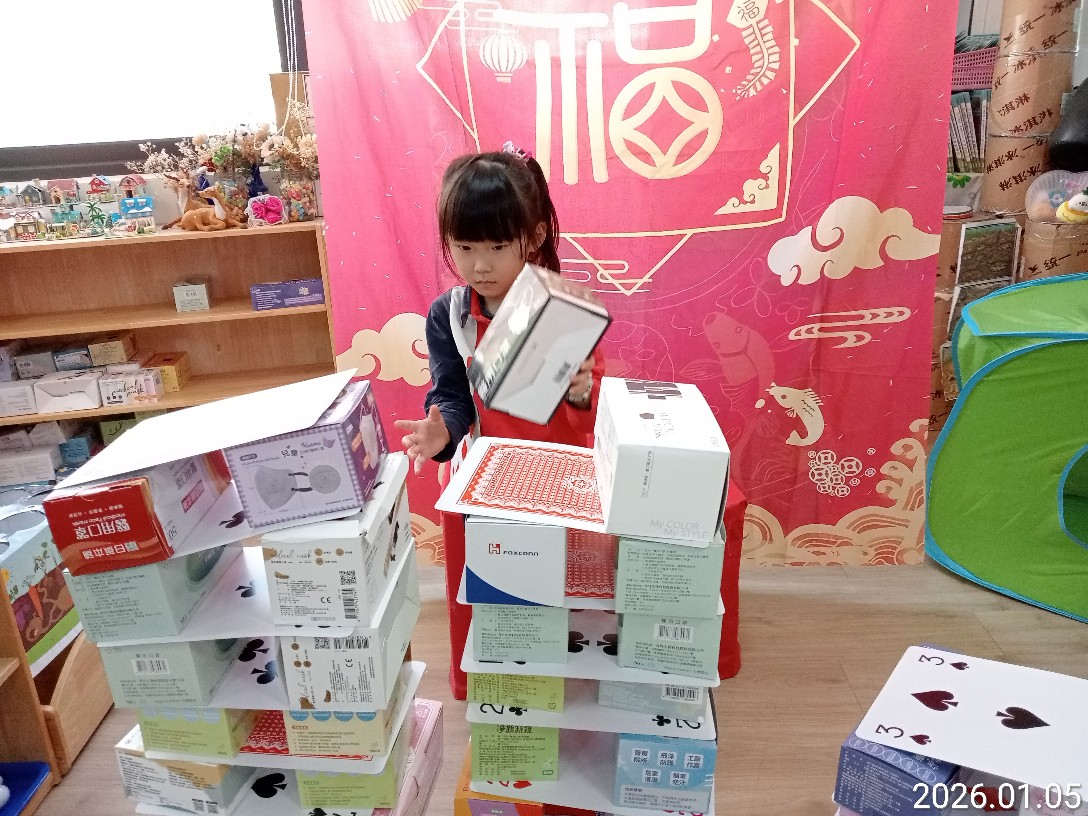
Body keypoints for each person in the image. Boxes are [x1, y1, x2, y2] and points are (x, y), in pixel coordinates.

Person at [394, 143, 606, 698]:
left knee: (555, 591)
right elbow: (452, 396)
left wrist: (581, 390)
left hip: (558, 478)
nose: (479, 265)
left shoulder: (561, 309)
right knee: (488, 592)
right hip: (488, 481)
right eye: (463, 247)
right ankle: (491, 686)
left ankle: (555, 687)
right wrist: (442, 432)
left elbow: (588, 419)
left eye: (496, 246)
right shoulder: (449, 314)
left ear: (532, 238)